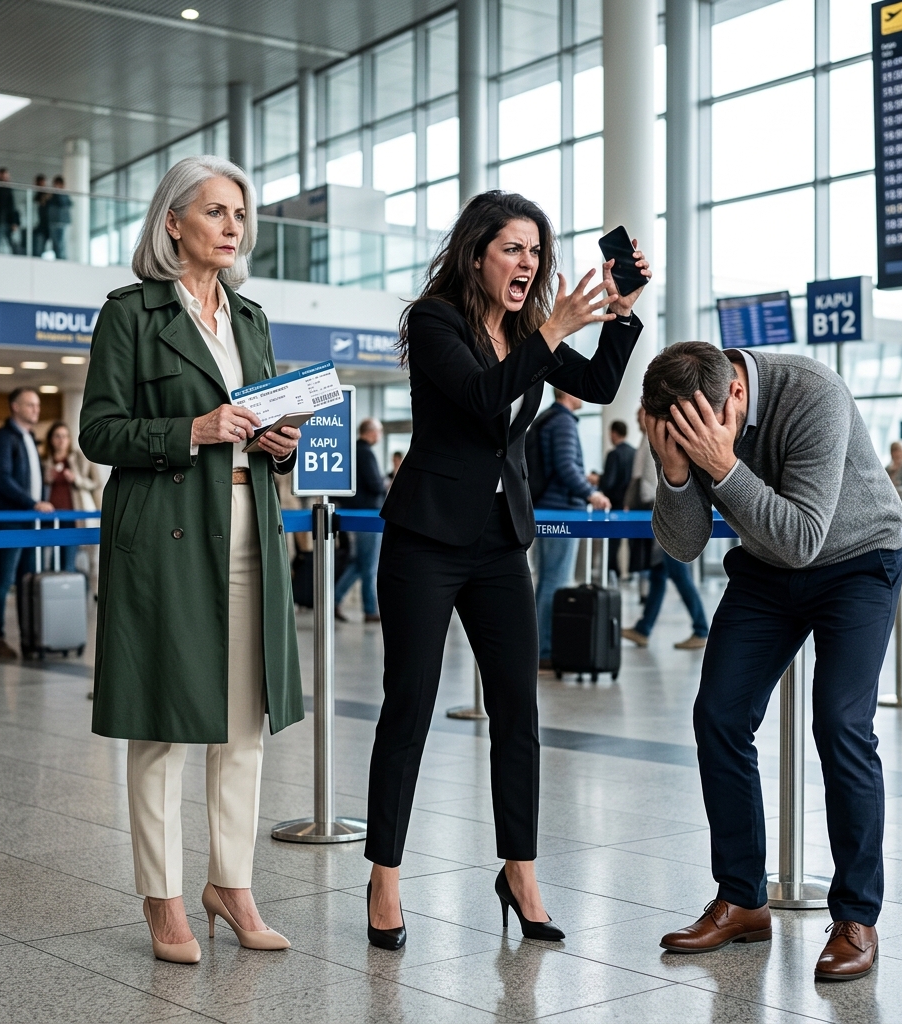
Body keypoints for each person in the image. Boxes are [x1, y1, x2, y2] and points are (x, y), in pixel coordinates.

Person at [366, 191, 648, 951]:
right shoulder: (435, 322)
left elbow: (599, 387)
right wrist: (552, 330)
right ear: (477, 253)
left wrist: (619, 313)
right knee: (409, 708)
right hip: (426, 539)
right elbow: (480, 397)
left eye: (536, 252)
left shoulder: (528, 330)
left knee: (518, 713)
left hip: (499, 542)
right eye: (513, 249)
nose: (528, 263)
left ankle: (519, 871)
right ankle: (384, 877)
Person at [79, 156, 304, 965]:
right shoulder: (130, 314)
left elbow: (273, 417)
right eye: (216, 211)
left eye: (239, 213)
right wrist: (191, 431)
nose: (233, 226)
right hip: (168, 528)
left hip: (250, 522)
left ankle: (231, 884)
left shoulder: (249, 318)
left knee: (245, 721)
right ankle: (163, 898)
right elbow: (98, 433)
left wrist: (282, 440)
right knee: (162, 725)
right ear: (173, 221)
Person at [645, 341, 902, 982]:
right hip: (766, 569)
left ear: (735, 394)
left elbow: (803, 537)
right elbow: (683, 545)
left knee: (841, 724)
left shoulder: (814, 393)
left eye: (699, 428)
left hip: (855, 560)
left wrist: (724, 466)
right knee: (719, 716)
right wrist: (677, 473)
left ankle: (856, 917)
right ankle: (742, 899)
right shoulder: (693, 412)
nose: (694, 440)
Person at [533, 389, 611, 670]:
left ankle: (540, 646)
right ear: (566, 392)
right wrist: (591, 493)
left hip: (547, 508)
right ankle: (544, 650)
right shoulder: (563, 422)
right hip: (561, 512)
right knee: (555, 582)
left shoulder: (548, 419)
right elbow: (566, 467)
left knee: (547, 580)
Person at [621, 410, 709, 650]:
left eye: (642, 413)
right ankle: (643, 628)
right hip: (656, 514)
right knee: (658, 574)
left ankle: (701, 628)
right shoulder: (644, 440)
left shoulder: (657, 439)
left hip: (662, 514)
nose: (639, 417)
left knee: (678, 574)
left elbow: (652, 482)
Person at [0, 386, 54, 660]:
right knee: (4, 581)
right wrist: (32, 503)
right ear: (15, 407)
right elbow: (3, 479)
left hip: (30, 521)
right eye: (30, 405)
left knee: (27, 580)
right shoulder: (5, 438)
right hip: (10, 520)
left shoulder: (29, 437)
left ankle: (30, 638)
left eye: (37, 405)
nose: (36, 410)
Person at [334, 417, 386, 622]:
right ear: (372, 432)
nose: (380, 437)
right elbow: (375, 485)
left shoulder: (351, 450)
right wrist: (385, 485)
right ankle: (370, 609)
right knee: (369, 564)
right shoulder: (365, 453)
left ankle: (334, 600)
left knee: (359, 563)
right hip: (367, 515)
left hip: (352, 514)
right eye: (379, 432)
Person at [42, 421, 101, 573]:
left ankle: (74, 590)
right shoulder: (44, 462)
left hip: (73, 517)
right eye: (57, 436)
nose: (61, 440)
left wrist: (76, 479)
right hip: (49, 518)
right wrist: (46, 478)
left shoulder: (79, 459)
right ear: (51, 439)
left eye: (65, 436)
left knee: (69, 562)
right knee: (49, 563)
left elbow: (96, 482)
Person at [591, 419, 634, 579]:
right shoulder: (633, 452)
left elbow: (609, 482)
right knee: (631, 544)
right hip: (630, 505)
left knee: (612, 544)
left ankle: (611, 574)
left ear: (614, 433)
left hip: (614, 505)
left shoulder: (614, 454)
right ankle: (629, 574)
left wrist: (598, 480)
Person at [47, 176, 72, 259]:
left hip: (62, 223)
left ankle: (62, 259)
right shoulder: (51, 195)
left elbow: (64, 203)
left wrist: (59, 192)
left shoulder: (64, 194)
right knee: (55, 243)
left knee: (62, 243)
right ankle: (57, 258)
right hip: (53, 222)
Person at [32, 174, 51, 257]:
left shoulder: (49, 195)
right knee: (39, 247)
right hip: (41, 225)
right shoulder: (37, 196)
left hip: (49, 224)